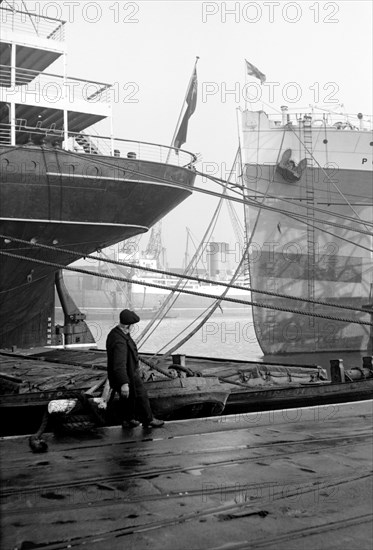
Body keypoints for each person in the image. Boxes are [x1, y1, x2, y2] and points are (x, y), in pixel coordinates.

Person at [106, 309, 164, 429]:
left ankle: (128, 419)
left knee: (128, 399)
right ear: (128, 326)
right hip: (127, 375)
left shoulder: (117, 333)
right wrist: (124, 383)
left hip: (126, 373)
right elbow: (119, 364)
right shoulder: (119, 341)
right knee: (141, 395)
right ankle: (148, 419)